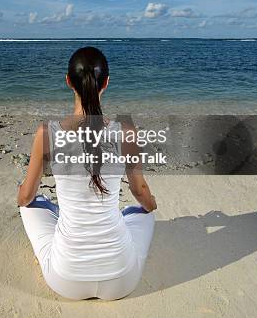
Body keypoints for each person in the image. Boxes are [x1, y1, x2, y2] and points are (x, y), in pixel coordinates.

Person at [17, 46, 157, 300]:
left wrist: (27, 195)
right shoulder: (125, 131)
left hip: (66, 281)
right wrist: (151, 205)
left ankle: (58, 226)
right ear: (106, 83)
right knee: (142, 213)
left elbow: (24, 197)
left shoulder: (47, 133)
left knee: (30, 205)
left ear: (69, 81)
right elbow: (140, 191)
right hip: (122, 280)